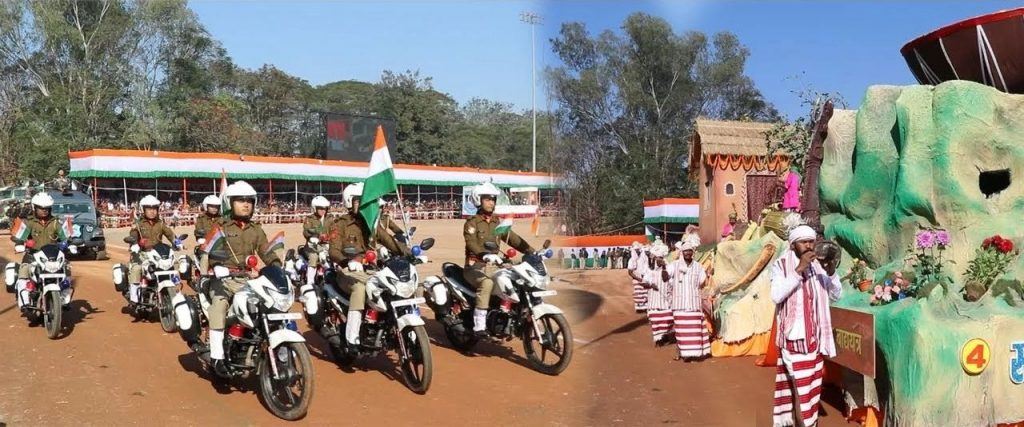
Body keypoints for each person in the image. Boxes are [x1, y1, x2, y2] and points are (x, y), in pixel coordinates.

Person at [206, 181, 281, 378]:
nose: (246, 204)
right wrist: (217, 265)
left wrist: (277, 266)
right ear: (229, 203)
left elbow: (266, 250)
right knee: (219, 305)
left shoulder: (255, 229)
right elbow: (211, 249)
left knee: (270, 303)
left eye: (249, 201)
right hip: (224, 279)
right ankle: (217, 356)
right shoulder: (220, 226)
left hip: (247, 278)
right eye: (240, 200)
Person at [770, 225, 842, 427]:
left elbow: (836, 295)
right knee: (799, 388)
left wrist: (831, 272)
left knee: (811, 390)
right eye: (803, 242)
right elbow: (776, 295)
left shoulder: (818, 266)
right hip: (794, 340)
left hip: (816, 340)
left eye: (811, 241)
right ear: (793, 245)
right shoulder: (781, 265)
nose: (809, 246)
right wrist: (799, 270)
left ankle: (807, 423)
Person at [327, 183, 409, 346]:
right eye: (360, 201)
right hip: (347, 272)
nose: (365, 205)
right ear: (350, 202)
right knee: (360, 289)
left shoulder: (371, 223)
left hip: (370, 270)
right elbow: (333, 251)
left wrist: (410, 253)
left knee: (392, 286)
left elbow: (389, 241)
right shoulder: (339, 224)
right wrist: (347, 261)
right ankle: (352, 336)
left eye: (367, 201)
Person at [462, 182, 534, 337]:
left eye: (493, 199)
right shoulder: (472, 222)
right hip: (475, 267)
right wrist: (483, 254)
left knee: (517, 280)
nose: (491, 203)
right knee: (487, 283)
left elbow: (513, 239)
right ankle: (479, 325)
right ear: (478, 200)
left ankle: (508, 314)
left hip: (495, 266)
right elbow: (471, 243)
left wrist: (532, 251)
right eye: (487, 199)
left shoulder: (496, 223)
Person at [11, 193, 72, 313]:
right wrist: (21, 242)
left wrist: (70, 242)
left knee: (67, 269)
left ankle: (65, 298)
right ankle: (24, 302)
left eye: (47, 208)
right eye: (41, 208)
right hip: (32, 256)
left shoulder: (55, 222)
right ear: (34, 208)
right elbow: (16, 236)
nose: (44, 211)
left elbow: (65, 236)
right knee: (23, 272)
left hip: (52, 257)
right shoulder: (28, 222)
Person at [126, 195, 180, 311]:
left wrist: (178, 242)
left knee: (173, 264)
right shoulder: (138, 224)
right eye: (149, 209)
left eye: (154, 208)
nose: (152, 211)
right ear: (143, 210)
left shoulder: (160, 223)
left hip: (158, 253)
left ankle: (176, 289)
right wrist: (134, 243)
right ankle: (134, 297)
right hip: (142, 253)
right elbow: (133, 234)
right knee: (136, 269)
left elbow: (170, 234)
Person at [662, 236, 710, 361]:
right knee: (681, 331)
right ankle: (682, 352)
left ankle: (693, 353)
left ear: (692, 252)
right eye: (685, 251)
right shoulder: (674, 265)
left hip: (694, 304)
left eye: (690, 251)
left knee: (694, 331)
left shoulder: (698, 266)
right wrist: (663, 268)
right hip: (680, 305)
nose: (688, 253)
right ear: (682, 253)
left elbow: (702, 282)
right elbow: (665, 278)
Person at [643, 239, 672, 345]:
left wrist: (664, 266)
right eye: (657, 258)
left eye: (661, 258)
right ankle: (658, 338)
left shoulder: (668, 268)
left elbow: (668, 280)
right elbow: (644, 283)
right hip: (653, 301)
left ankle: (665, 335)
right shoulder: (650, 270)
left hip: (665, 300)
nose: (659, 260)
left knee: (667, 319)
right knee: (655, 320)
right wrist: (651, 285)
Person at [301, 196, 333, 288]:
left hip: (327, 245)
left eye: (325, 208)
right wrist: (311, 237)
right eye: (320, 208)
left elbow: (335, 230)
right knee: (314, 257)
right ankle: (310, 283)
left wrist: (332, 236)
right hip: (312, 246)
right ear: (315, 208)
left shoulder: (330, 219)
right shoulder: (309, 219)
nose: (323, 210)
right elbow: (306, 231)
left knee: (335, 256)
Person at [194, 195, 223, 275]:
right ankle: (203, 276)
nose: (214, 208)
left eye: (216, 206)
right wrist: (200, 237)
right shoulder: (201, 218)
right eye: (212, 206)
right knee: (205, 256)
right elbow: (198, 230)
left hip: (221, 245)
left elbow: (228, 229)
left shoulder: (222, 218)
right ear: (206, 206)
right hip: (206, 246)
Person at [626, 242, 648, 313]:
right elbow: (630, 272)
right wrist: (638, 278)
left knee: (645, 292)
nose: (637, 251)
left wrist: (645, 277)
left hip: (645, 278)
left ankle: (645, 307)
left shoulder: (644, 258)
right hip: (636, 278)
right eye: (635, 250)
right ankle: (638, 307)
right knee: (638, 293)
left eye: (638, 249)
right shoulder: (631, 260)